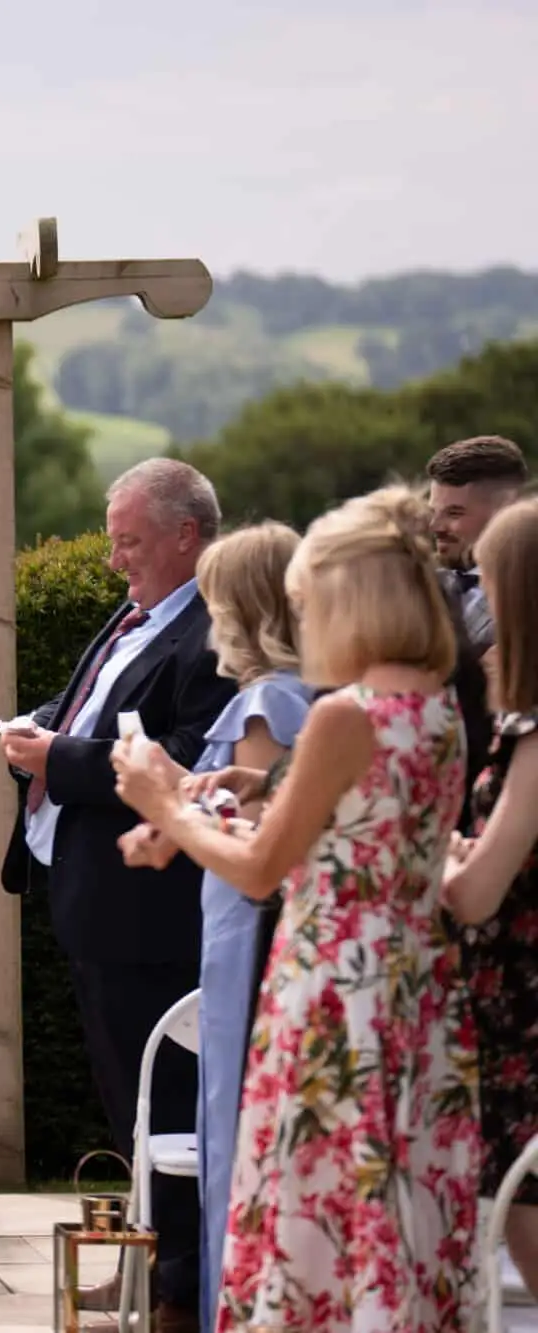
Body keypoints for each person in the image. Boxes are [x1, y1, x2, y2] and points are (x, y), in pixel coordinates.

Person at [113, 485, 479, 1333]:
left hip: (333, 1001)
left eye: (312, 605)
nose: (306, 624)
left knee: (314, 1224)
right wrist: (227, 801)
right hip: (416, 995)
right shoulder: (435, 706)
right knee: (394, 1218)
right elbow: (358, 837)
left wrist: (162, 801)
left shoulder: (346, 714)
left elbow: (261, 868)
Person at [0, 457, 234, 1330]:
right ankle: (146, 1267)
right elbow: (95, 704)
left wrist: (55, 759)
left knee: (167, 1101)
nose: (113, 562)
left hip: (150, 913)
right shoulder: (142, 613)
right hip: (96, 903)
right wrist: (42, 724)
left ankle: (176, 1283)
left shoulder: (209, 633)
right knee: (127, 1098)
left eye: (129, 542)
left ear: (186, 535)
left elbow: (181, 751)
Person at [119, 522, 313, 1329]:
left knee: (235, 1127)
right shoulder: (287, 695)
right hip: (236, 919)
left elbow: (260, 834)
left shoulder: (270, 700)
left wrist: (165, 801)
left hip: (247, 925)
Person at [443, 495, 538, 1296]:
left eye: (486, 583)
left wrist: (431, 850)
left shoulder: (536, 733)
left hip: (523, 1015)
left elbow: (475, 894)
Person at [427, 433, 527, 650]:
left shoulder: (525, 597)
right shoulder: (421, 585)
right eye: (433, 512)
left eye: (454, 513)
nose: (435, 527)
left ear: (505, 511)